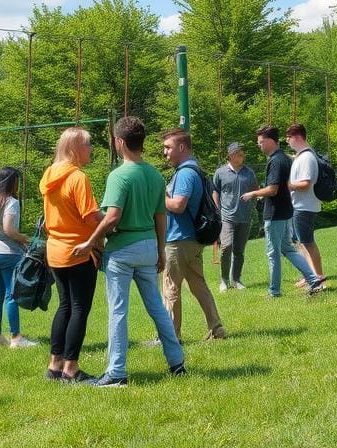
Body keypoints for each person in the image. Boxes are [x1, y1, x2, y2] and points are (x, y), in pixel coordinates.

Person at [73, 116, 185, 387]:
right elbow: (161, 218)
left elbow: (112, 218)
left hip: (122, 250)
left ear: (120, 142)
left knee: (118, 311)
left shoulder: (119, 176)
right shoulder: (156, 176)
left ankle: (116, 372)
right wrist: (159, 250)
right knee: (157, 308)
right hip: (149, 247)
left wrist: (90, 243)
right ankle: (177, 362)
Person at [40, 127, 102, 383]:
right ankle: (71, 368)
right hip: (78, 251)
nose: (90, 150)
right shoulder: (77, 177)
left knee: (64, 306)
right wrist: (108, 223)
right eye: (88, 145)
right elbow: (89, 217)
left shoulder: (49, 174)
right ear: (76, 148)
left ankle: (54, 365)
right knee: (79, 308)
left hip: (54, 250)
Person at [242, 126, 324, 297]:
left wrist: (253, 193)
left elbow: (272, 189)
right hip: (286, 212)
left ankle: (274, 291)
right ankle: (313, 278)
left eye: (261, 142)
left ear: (271, 141)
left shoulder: (276, 161)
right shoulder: (285, 159)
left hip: (275, 213)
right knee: (287, 249)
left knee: (273, 253)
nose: (259, 146)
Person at [161, 129, 225, 340]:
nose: (165, 152)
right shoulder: (196, 170)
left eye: (168, 147)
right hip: (192, 240)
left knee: (170, 287)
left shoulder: (186, 173)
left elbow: (178, 205)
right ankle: (217, 328)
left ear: (181, 147)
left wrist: (159, 197)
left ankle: (171, 337)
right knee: (199, 285)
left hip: (178, 240)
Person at [0, 166, 37, 349]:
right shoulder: (11, 202)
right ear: (12, 182)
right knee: (11, 295)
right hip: (8, 254)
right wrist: (25, 239)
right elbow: (8, 229)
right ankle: (16, 338)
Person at [212, 142, 258, 291]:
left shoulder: (249, 173)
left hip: (245, 217)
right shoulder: (220, 172)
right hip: (226, 217)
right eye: (238, 153)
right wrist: (217, 210)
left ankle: (236, 279)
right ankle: (224, 280)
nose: (242, 155)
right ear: (231, 156)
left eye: (242, 153)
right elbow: (215, 191)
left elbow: (256, 191)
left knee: (239, 250)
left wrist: (252, 206)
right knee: (226, 246)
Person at [286, 125, 325, 286]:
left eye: (289, 137)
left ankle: (318, 277)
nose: (287, 140)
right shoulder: (301, 156)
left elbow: (306, 184)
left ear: (298, 137)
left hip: (304, 206)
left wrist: (287, 186)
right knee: (302, 242)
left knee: (307, 242)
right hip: (300, 205)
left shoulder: (307, 157)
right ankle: (310, 275)